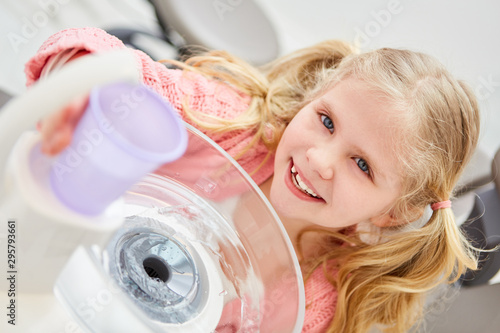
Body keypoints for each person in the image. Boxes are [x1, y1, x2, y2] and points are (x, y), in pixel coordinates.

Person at [27, 27, 480, 332]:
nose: (320, 160)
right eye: (325, 121)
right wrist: (85, 77)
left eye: (361, 165)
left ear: (392, 212)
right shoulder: (232, 126)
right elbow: (117, 63)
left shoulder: (321, 300)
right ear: (312, 98)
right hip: (45, 263)